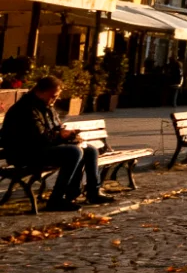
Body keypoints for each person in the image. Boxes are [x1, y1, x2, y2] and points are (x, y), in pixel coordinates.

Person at [0, 76, 109, 211]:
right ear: (42, 91)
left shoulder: (46, 105)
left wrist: (70, 135)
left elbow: (56, 127)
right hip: (25, 153)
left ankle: (93, 192)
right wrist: (62, 136)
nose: (55, 99)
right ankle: (56, 199)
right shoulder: (26, 108)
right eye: (53, 96)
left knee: (90, 150)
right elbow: (39, 137)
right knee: (73, 152)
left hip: (41, 148)